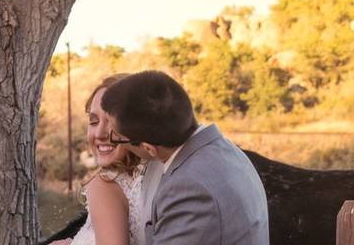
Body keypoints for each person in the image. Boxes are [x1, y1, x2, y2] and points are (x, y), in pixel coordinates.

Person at [100, 70, 269, 245]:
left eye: (117, 136)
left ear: (149, 148)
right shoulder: (226, 150)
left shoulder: (189, 188)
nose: (106, 135)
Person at [52, 74, 160, 245]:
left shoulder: (105, 185)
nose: (100, 134)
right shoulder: (159, 173)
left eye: (111, 121)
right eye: (93, 121)